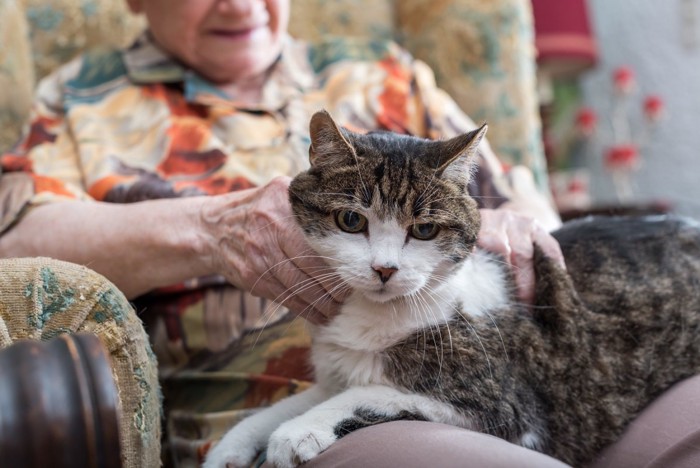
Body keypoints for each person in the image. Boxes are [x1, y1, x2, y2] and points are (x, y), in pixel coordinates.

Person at [0, 0, 697, 467]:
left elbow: (530, 223)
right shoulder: (81, 96)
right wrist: (207, 228)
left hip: (502, 370)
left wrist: (517, 223)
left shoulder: (385, 70)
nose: (241, 4)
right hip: (296, 413)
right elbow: (18, 251)